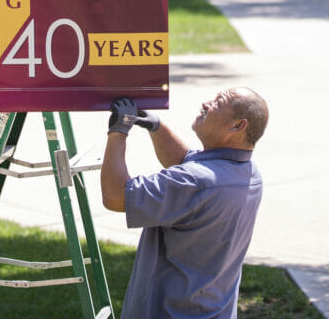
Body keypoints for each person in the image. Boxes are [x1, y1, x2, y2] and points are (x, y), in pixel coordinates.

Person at [102, 88, 269, 319]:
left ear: (238, 126)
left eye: (218, 102)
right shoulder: (249, 175)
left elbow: (116, 196)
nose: (206, 102)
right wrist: (157, 126)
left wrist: (118, 133)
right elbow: (185, 160)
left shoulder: (195, 182)